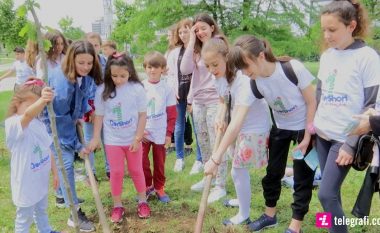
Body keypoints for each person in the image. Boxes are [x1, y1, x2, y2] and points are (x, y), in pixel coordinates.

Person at [228, 35, 317, 233]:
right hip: (281, 127)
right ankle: (270, 216)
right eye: (240, 68)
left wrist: (309, 135)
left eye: (246, 66)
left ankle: (296, 225)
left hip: (304, 126)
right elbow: (238, 117)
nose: (244, 72)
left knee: (303, 175)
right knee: (273, 173)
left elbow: (312, 101)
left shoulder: (292, 68)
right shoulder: (254, 82)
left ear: (260, 56)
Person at [314, 1, 380, 232]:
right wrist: (312, 129)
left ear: (351, 26)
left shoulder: (367, 57)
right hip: (322, 134)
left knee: (325, 193)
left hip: (345, 137)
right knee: (331, 194)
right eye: (324, 29)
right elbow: (319, 93)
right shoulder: (327, 56)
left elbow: (372, 104)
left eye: (332, 30)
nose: (327, 35)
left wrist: (351, 144)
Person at [202, 37, 271, 226]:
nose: (211, 70)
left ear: (227, 57)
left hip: (254, 128)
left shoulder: (243, 80)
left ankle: (243, 213)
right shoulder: (219, 77)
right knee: (237, 167)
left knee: (238, 169)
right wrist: (220, 115)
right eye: (207, 66)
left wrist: (215, 158)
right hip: (238, 125)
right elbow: (223, 99)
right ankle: (242, 201)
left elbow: (237, 124)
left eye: (215, 64)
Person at [87, 52, 151, 223]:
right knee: (116, 172)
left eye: (122, 76)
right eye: (114, 75)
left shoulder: (137, 89)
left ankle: (143, 201)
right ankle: (117, 205)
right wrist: (95, 138)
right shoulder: (103, 91)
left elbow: (143, 115)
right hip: (113, 141)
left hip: (132, 140)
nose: (118, 79)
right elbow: (99, 116)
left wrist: (137, 138)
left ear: (130, 71)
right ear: (108, 73)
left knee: (136, 170)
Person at [46, 40, 102, 231]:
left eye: (89, 63)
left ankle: (63, 196)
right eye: (81, 63)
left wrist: (82, 112)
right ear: (72, 60)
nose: (86, 67)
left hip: (69, 121)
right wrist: (78, 145)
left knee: (66, 166)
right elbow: (60, 118)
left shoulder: (84, 76)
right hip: (55, 126)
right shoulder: (62, 82)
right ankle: (74, 213)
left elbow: (83, 96)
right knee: (66, 165)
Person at [180, 13, 228, 203]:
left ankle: (220, 185)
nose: (200, 32)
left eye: (203, 28)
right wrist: (191, 40)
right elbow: (185, 70)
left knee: (218, 142)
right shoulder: (195, 49)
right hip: (199, 102)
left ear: (212, 27)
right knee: (205, 142)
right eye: (196, 29)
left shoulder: (219, 45)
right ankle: (209, 177)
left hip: (217, 101)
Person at [5, 78, 61, 233]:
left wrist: (55, 173)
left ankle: (46, 230)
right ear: (17, 103)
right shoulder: (13, 124)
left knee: (41, 210)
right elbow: (28, 115)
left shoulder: (39, 124)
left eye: (41, 107)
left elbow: (47, 149)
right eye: (33, 105)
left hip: (40, 179)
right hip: (25, 183)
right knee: (25, 217)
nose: (38, 110)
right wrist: (43, 100)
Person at [166, 18, 203, 174]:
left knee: (198, 127)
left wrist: (191, 99)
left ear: (192, 32)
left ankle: (200, 159)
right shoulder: (174, 53)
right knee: (179, 127)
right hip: (179, 95)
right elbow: (170, 74)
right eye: (180, 32)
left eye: (185, 31)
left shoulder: (199, 52)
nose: (182, 35)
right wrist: (173, 91)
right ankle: (180, 158)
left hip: (195, 95)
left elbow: (199, 76)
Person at [142, 51, 177, 203]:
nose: (153, 70)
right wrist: (138, 130)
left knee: (159, 162)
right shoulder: (141, 87)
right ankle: (147, 185)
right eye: (149, 67)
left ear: (162, 69)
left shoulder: (167, 88)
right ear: (145, 68)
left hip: (160, 132)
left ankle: (159, 187)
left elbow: (171, 113)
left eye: (156, 67)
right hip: (143, 132)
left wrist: (168, 133)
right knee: (142, 161)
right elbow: (134, 110)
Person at [84, 32, 110, 179]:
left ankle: (110, 168)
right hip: (89, 106)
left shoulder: (104, 61)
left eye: (96, 45)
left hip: (104, 104)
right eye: (90, 45)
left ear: (100, 46)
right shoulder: (84, 63)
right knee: (89, 139)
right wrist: (91, 109)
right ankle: (91, 172)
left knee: (106, 137)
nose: (93, 48)